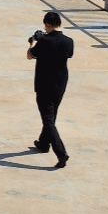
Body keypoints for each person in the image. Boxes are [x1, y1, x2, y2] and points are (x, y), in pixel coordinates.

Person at [26, 10, 74, 168]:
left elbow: (30, 55)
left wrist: (35, 41)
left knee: (48, 120)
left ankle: (61, 153)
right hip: (60, 84)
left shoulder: (44, 42)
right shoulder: (69, 41)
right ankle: (43, 143)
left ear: (47, 24)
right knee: (51, 116)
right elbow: (68, 55)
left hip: (44, 85)